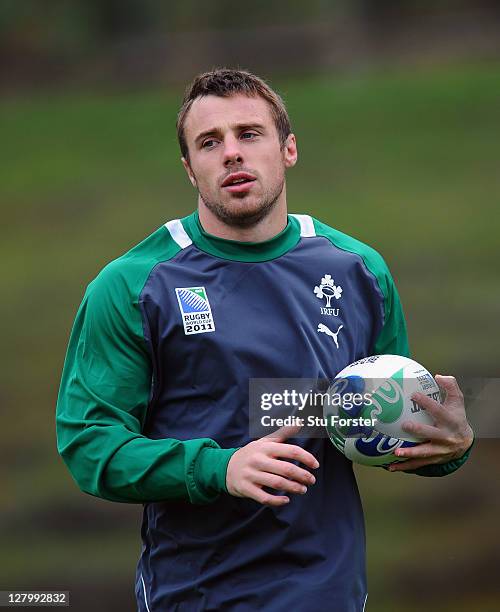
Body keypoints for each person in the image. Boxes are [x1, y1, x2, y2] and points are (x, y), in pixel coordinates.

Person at [56, 68, 474, 612]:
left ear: (288, 149)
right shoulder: (133, 285)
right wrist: (219, 468)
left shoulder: (359, 270)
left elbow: (386, 421)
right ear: (189, 168)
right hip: (197, 595)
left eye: (248, 134)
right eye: (210, 143)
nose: (231, 153)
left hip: (329, 592)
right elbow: (90, 447)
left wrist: (451, 445)